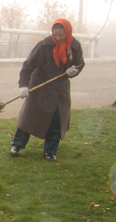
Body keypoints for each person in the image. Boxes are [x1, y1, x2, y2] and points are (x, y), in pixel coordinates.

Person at [10, 18, 84, 161]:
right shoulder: (44, 46)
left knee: (57, 119)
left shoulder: (75, 46)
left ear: (68, 33)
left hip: (60, 90)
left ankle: (50, 151)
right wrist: (24, 85)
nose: (57, 38)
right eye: (55, 35)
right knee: (29, 117)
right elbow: (27, 66)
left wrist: (74, 70)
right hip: (40, 86)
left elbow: (80, 63)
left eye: (61, 35)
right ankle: (16, 145)